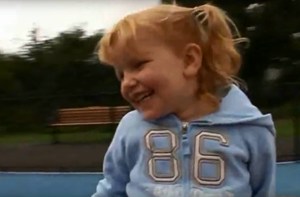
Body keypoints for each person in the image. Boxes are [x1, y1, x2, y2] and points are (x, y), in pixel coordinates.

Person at [92, 3, 276, 197]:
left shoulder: (251, 129)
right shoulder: (131, 128)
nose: (127, 82)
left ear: (190, 60)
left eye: (138, 65)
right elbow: (112, 189)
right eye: (121, 74)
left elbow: (262, 191)